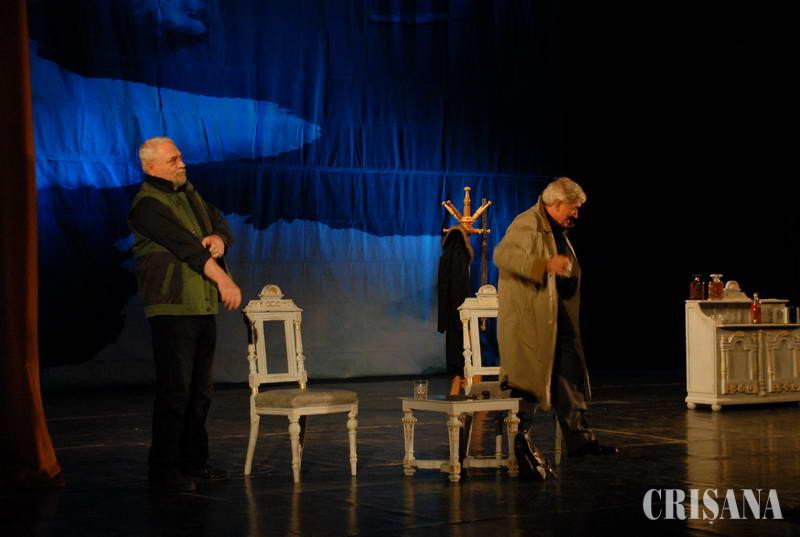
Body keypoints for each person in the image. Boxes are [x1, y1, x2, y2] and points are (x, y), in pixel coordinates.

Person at [129, 137, 242, 493]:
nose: (182, 164)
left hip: (201, 304)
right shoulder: (148, 205)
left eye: (180, 157)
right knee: (175, 392)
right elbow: (187, 247)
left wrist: (220, 239)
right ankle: (164, 471)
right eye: (174, 160)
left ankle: (194, 463)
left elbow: (218, 222)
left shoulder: (190, 195)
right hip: (172, 307)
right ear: (152, 167)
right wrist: (224, 279)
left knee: (200, 393)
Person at [494, 177, 618, 464]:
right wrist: (545, 265)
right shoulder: (529, 223)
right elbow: (504, 255)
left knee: (569, 378)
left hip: (556, 320)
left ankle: (580, 441)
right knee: (528, 382)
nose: (576, 214)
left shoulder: (556, 229)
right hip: (532, 322)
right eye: (574, 208)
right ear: (558, 203)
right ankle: (520, 442)